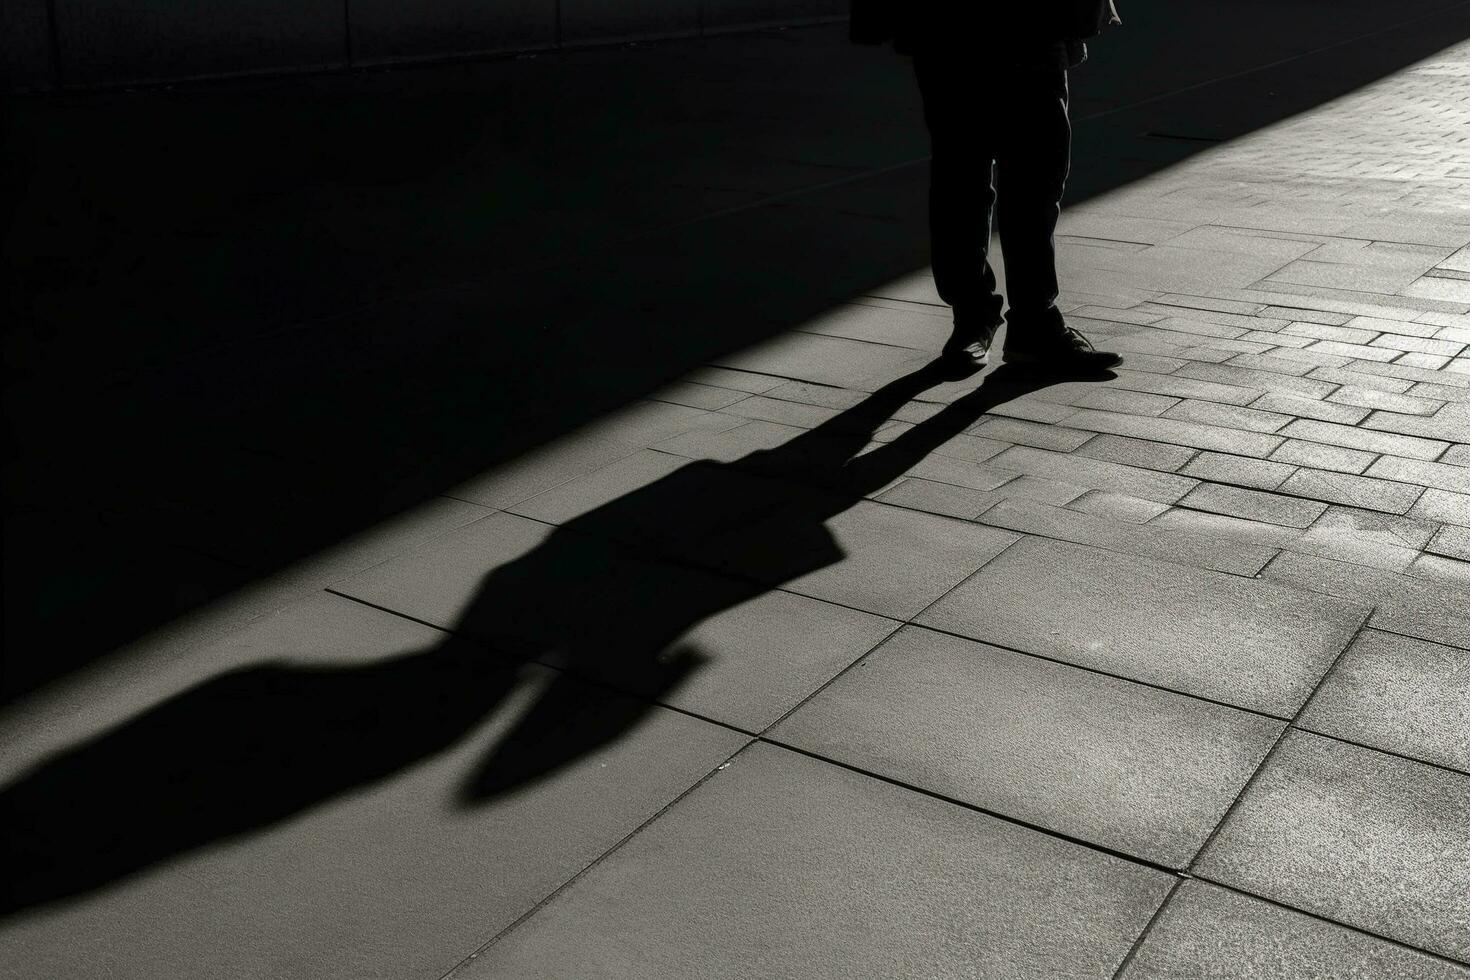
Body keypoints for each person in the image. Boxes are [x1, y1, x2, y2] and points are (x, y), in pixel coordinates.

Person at [853, 1, 1124, 371]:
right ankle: (984, 316)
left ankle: (1020, 319)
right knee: (966, 178)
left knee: (1026, 179)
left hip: (1023, 28)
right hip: (953, 30)